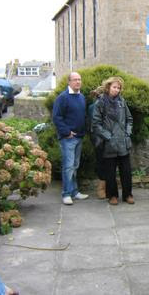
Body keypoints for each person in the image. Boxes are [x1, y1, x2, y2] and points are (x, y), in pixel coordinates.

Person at [92, 77, 134, 205]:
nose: (117, 90)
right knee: (110, 172)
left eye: (118, 88)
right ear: (108, 87)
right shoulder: (100, 102)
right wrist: (107, 136)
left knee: (126, 171)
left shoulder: (122, 101)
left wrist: (128, 133)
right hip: (108, 143)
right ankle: (112, 196)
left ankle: (128, 195)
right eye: (114, 87)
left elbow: (129, 119)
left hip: (122, 142)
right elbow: (96, 123)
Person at [53, 72, 89, 205]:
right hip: (68, 138)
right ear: (69, 82)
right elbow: (56, 117)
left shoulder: (81, 97)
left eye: (79, 79)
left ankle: (74, 192)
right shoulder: (62, 98)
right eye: (75, 80)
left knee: (74, 166)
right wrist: (67, 132)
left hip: (79, 137)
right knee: (68, 167)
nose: (78, 82)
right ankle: (66, 194)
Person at [88, 86, 107, 199]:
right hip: (100, 139)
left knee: (104, 163)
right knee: (103, 163)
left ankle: (104, 188)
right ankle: (101, 188)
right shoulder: (95, 106)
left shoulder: (93, 105)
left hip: (99, 138)